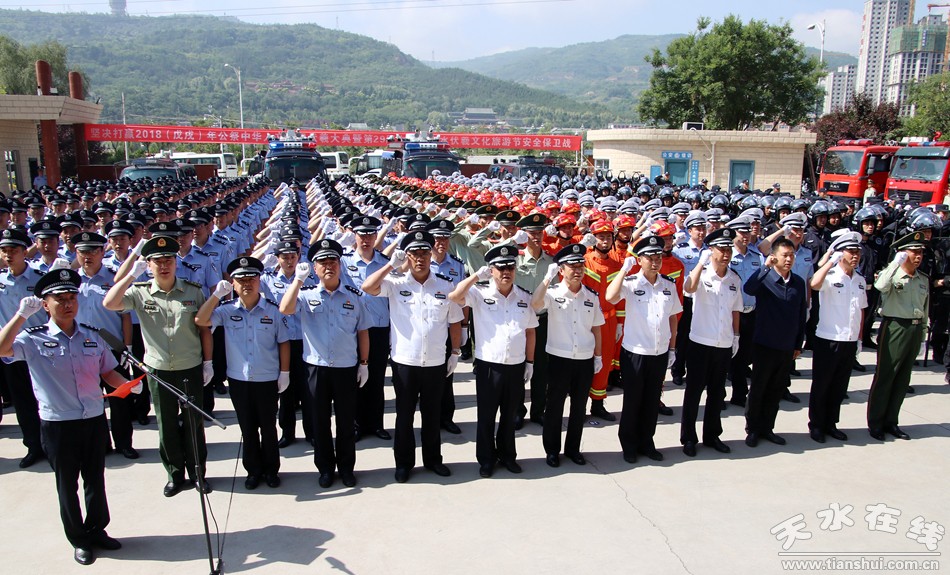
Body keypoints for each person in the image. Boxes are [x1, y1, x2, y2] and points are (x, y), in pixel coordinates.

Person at [0, 268, 141, 565]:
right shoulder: (32, 338)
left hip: (93, 418)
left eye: (72, 298)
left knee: (95, 479)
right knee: (67, 484)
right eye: (60, 299)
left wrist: (129, 385)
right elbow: (3, 349)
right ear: (45, 304)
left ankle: (97, 530)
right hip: (59, 423)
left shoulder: (92, 335)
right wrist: (21, 316)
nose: (68, 304)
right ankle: (79, 539)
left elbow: (107, 371)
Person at [103, 236, 214, 497]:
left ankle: (198, 474)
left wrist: (208, 362)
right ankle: (175, 475)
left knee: (193, 424)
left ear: (176, 262)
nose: (164, 266)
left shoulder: (193, 291)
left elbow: (204, 329)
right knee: (166, 425)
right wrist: (131, 275)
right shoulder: (139, 291)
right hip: (158, 369)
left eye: (168, 260)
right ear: (149, 265)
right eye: (157, 261)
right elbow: (110, 303)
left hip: (189, 366)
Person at [362, 230, 463, 482]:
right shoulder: (396, 284)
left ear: (431, 255)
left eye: (424, 253)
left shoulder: (445, 285)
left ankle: (433, 460)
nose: (420, 258)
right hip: (405, 361)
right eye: (415, 253)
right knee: (404, 416)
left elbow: (454, 320)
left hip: (435, 361)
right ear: (407, 256)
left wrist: (455, 351)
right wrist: (390, 265)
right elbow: (367, 287)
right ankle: (404, 464)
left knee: (432, 415)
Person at [278, 238, 370, 489]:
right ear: (315, 268)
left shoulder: (355, 296)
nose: (328, 266)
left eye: (333, 262)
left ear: (339, 265)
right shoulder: (305, 295)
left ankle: (347, 468)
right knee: (320, 423)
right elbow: (285, 309)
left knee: (346, 422)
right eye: (323, 263)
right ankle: (326, 469)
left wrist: (364, 363)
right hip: (315, 368)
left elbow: (363, 331)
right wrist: (298, 280)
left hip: (345, 367)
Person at [196, 257, 291, 489]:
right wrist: (216, 295)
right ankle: (253, 471)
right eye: (241, 280)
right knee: (247, 429)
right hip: (239, 379)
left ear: (259, 281)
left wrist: (284, 372)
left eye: (251, 278)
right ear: (233, 284)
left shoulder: (274, 310)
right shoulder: (226, 310)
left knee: (268, 428)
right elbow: (201, 320)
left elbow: (284, 342)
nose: (247, 283)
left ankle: (271, 470)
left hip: (267, 378)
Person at [448, 244, 537, 478]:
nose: (506, 272)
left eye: (510, 268)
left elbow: (530, 332)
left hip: (516, 365)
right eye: (500, 268)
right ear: (492, 270)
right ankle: (486, 459)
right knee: (487, 416)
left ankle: (508, 456)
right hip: (489, 365)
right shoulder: (479, 293)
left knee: (510, 416)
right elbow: (455, 296)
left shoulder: (524, 297)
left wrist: (530, 362)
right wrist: (476, 276)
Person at [605, 235, 681, 464]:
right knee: (633, 401)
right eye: (650, 258)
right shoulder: (631, 283)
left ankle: (647, 442)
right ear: (640, 260)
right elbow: (610, 296)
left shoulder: (668, 285)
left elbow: (673, 317)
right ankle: (629, 445)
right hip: (635, 352)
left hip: (659, 352)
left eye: (658, 257)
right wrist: (623, 271)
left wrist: (672, 348)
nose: (655, 262)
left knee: (651, 401)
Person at [531, 244, 604, 467]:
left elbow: (596, 328)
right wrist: (547, 278)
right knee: (554, 407)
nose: (577, 270)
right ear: (561, 270)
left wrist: (598, 356)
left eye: (580, 265)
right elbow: (535, 304)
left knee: (579, 408)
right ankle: (552, 450)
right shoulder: (552, 293)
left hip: (584, 358)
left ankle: (573, 449)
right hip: (559, 359)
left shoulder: (591, 296)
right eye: (572, 266)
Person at [73, 232, 137, 459]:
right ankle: (100, 444)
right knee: (91, 400)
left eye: (92, 251)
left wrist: (127, 347)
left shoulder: (114, 279)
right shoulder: (71, 282)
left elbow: (125, 316)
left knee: (120, 398)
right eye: (82, 252)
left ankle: (124, 443)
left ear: (102, 252)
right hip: (81, 350)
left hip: (112, 348)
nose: (87, 256)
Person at [680, 228, 742, 457]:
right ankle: (688, 438)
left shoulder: (734, 279)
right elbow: (688, 289)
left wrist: (736, 336)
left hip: (723, 343)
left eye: (729, 250)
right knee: (694, 393)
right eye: (721, 250)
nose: (726, 254)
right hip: (700, 342)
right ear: (711, 251)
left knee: (717, 393)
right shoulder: (701, 275)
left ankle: (712, 435)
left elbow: (736, 310)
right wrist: (700, 264)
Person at [742, 237, 807, 448]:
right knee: (759, 388)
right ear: (774, 256)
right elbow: (749, 289)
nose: (788, 259)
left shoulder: (798, 282)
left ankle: (767, 428)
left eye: (791, 255)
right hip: (765, 343)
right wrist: (765, 267)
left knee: (776, 389)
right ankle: (753, 429)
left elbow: (800, 314)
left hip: (786, 345)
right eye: (784, 255)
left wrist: (798, 344)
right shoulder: (766, 278)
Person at [867, 231, 930, 441]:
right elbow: (879, 286)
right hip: (895, 327)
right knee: (886, 376)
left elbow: (925, 308)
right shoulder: (892, 275)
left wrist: (922, 333)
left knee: (903, 378)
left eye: (920, 252)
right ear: (903, 253)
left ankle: (891, 421)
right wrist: (895, 263)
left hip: (914, 329)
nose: (918, 256)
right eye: (913, 252)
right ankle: (876, 422)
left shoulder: (922, 279)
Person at [808, 231, 867, 443]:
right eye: (851, 252)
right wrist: (830, 262)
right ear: (841, 253)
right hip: (829, 339)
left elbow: (861, 311)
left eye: (857, 252)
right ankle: (816, 425)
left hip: (849, 341)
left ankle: (831, 423)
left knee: (840, 386)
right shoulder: (830, 276)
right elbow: (814, 284)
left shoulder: (859, 280)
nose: (855, 256)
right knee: (822, 385)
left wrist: (859, 339)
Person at [340, 215, 392, 442]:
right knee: (355, 379)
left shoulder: (384, 262)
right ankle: (356, 424)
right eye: (362, 235)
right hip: (353, 328)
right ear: (355, 236)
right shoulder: (344, 262)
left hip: (378, 327)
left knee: (377, 377)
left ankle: (376, 424)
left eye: (371, 234)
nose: (366, 239)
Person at [261, 240, 314, 448]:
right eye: (285, 257)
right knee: (285, 391)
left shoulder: (309, 278)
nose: (290, 261)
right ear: (278, 259)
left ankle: (311, 431)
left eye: (293, 256)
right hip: (281, 341)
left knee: (308, 390)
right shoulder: (268, 279)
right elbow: (244, 275)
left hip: (304, 340)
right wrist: (263, 258)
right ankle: (287, 432)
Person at [0, 228, 46, 467]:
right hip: (12, 350)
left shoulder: (39, 279)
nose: (9, 255)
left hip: (40, 347)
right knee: (23, 401)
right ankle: (33, 445)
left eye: (14, 250)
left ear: (24, 252)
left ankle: (52, 445)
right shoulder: (0, 280)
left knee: (46, 399)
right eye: (4, 250)